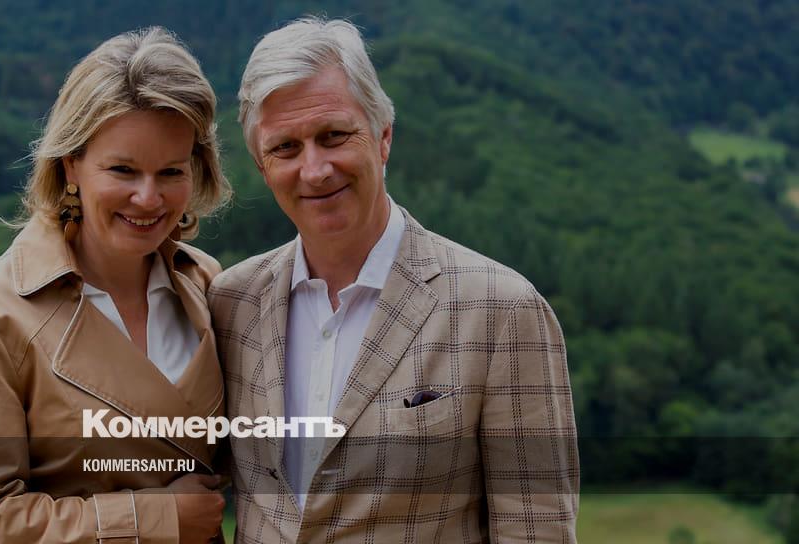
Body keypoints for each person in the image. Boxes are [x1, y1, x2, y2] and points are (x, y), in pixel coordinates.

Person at [208, 17, 579, 543]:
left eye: (334, 136)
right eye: (285, 147)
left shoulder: (503, 311)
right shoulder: (230, 303)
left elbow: (536, 530)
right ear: (262, 166)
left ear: (383, 136)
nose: (314, 170)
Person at [0, 27, 231, 543]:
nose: (148, 198)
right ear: (72, 164)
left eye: (170, 172)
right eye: (123, 170)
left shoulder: (207, 283)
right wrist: (155, 518)